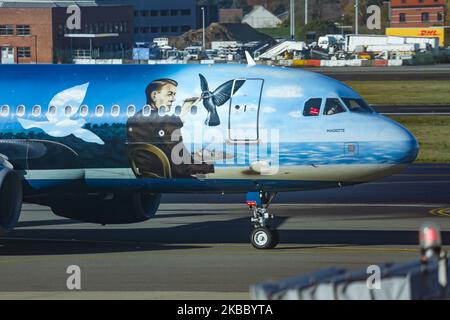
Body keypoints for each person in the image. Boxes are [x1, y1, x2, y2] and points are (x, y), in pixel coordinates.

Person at [126, 78, 214, 179]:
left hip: (148, 173)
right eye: (169, 94)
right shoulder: (163, 123)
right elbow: (179, 161)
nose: (173, 99)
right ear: (154, 96)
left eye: (174, 94)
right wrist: (210, 168)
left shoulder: (135, 119)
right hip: (167, 173)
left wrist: (185, 109)